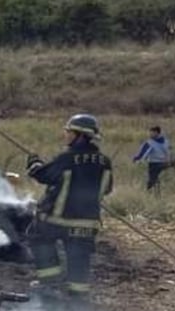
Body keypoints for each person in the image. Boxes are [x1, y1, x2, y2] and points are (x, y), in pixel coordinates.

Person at [26, 114, 113, 298]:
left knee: (38, 237)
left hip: (57, 220)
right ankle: (78, 295)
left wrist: (34, 163)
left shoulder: (68, 158)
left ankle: (49, 283)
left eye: (69, 132)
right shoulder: (105, 161)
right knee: (79, 257)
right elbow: (107, 188)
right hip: (87, 224)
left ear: (79, 135)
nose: (65, 135)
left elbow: (43, 175)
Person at [132, 125, 171, 192]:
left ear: (157, 132)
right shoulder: (166, 141)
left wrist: (136, 158)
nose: (150, 134)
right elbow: (169, 151)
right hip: (164, 163)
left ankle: (150, 194)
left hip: (154, 163)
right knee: (155, 178)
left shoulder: (150, 142)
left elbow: (143, 153)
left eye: (152, 132)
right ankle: (156, 192)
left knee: (152, 179)